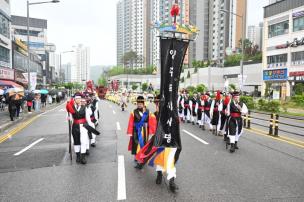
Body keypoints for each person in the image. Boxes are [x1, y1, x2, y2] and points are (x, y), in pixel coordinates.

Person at [66, 93, 100, 164]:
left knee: (84, 141)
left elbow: (88, 119)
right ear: (74, 100)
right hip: (75, 126)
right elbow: (69, 117)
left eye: (79, 99)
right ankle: (78, 156)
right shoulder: (71, 107)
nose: (78, 100)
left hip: (84, 126)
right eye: (77, 99)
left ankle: (83, 156)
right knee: (76, 141)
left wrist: (91, 127)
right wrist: (68, 118)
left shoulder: (84, 108)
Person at [127, 95, 156, 169]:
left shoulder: (148, 112)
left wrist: (152, 131)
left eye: (140, 104)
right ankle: (136, 157)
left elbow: (152, 121)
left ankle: (142, 156)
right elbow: (130, 122)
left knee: (144, 144)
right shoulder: (133, 112)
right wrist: (130, 132)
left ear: (143, 104)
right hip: (136, 130)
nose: (139, 105)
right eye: (138, 104)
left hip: (145, 130)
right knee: (136, 144)